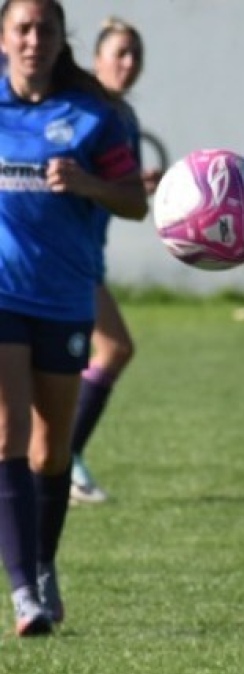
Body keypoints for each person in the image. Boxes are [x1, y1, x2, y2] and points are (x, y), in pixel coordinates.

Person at [0, 0, 147, 635]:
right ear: (4, 37)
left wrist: (89, 183)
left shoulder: (95, 116)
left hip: (63, 297)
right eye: (22, 29)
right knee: (7, 434)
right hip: (3, 293)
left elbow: (137, 202)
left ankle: (43, 562)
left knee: (50, 450)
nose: (34, 40)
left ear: (62, 41)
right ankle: (24, 591)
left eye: (46, 30)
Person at [70, 16, 160, 504]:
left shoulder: (122, 116)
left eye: (135, 55)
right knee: (114, 347)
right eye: (119, 52)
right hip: (62, 255)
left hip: (88, 254)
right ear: (96, 57)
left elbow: (114, 191)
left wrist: (135, 188)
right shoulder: (80, 108)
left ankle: (61, 458)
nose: (128, 63)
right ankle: (63, 460)